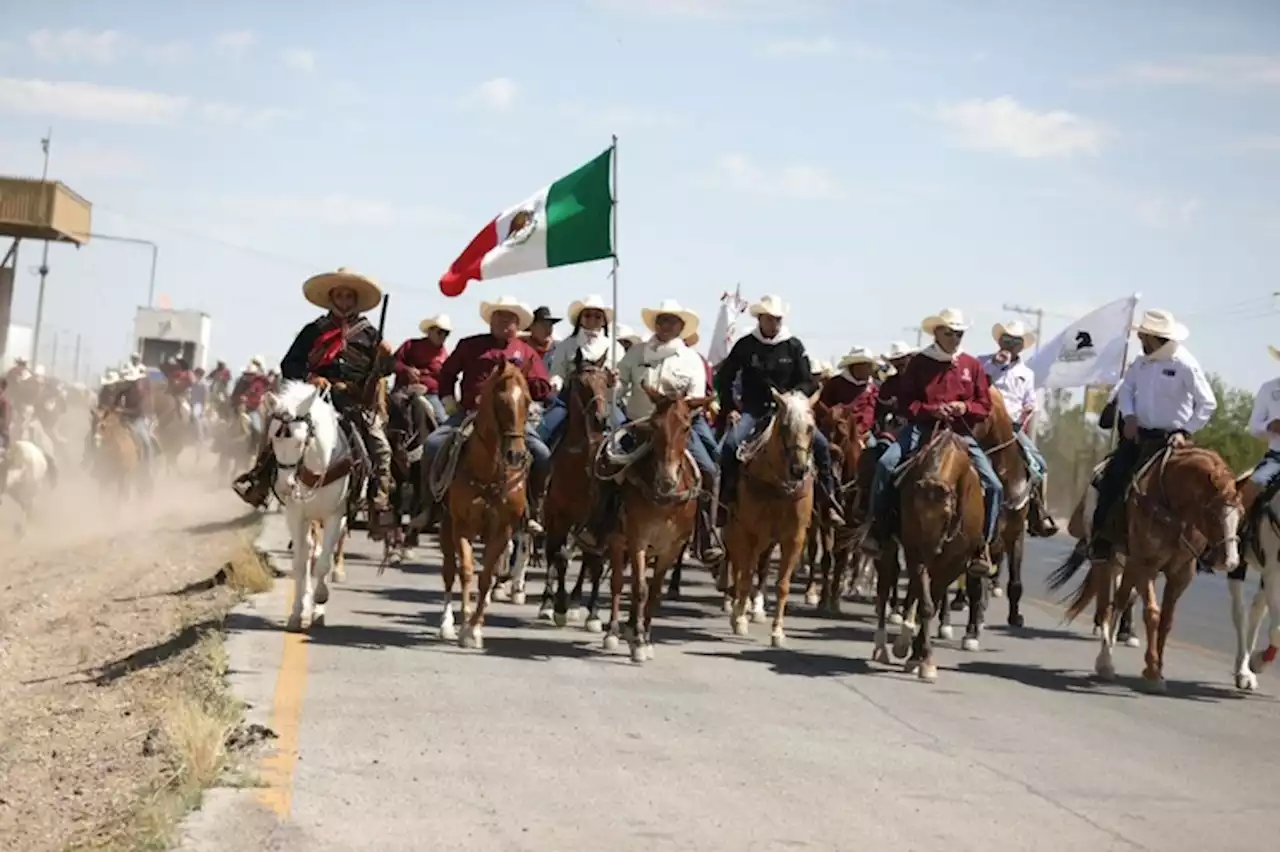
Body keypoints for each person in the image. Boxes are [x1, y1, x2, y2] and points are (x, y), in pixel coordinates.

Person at [235, 268, 397, 540]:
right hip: (314, 398)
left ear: (355, 300)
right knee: (282, 430)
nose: (344, 300)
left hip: (352, 401)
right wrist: (312, 376)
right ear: (331, 298)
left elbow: (386, 370)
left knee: (380, 447)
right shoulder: (314, 330)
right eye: (339, 295)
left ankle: (379, 504)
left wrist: (386, 357)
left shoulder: (369, 334)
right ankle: (259, 482)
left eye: (349, 296)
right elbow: (290, 364)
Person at [863, 309, 1002, 571]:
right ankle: (877, 530)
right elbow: (906, 403)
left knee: (994, 485)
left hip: (960, 434)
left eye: (959, 333)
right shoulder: (920, 363)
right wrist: (932, 410)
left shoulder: (971, 365)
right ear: (937, 333)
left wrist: (964, 408)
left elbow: (983, 404)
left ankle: (982, 546)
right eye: (950, 333)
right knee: (885, 464)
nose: (955, 338)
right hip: (921, 430)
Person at [1088, 309, 1216, 559]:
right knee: (1110, 477)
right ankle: (1101, 538)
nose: (1141, 340)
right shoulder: (1140, 362)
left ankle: (1205, 548)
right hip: (1140, 437)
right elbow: (1126, 390)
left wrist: (1185, 430)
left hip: (1173, 441)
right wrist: (1130, 416)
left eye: (1144, 336)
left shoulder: (1185, 364)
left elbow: (1208, 403)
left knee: (1202, 486)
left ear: (1156, 338)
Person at [422, 295, 554, 532]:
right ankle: (429, 505)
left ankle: (532, 509)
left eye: (510, 317)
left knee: (542, 454)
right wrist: (450, 404)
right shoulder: (469, 345)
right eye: (499, 316)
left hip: (512, 420)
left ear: (518, 324)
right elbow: (447, 375)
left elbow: (541, 386)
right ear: (490, 320)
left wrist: (528, 385)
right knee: (432, 444)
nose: (504, 321)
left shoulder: (526, 351)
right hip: (470, 414)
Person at [610, 299, 723, 562]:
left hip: (676, 429)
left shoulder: (691, 359)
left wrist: (673, 415)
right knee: (608, 464)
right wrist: (614, 383)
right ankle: (601, 521)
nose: (666, 325)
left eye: (672, 321)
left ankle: (705, 534)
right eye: (662, 320)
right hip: (638, 424)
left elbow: (694, 397)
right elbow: (620, 384)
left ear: (681, 327)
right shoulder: (636, 353)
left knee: (709, 469)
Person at [714, 294, 842, 524]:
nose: (773, 323)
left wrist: (792, 398)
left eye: (777, 319)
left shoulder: (793, 345)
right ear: (760, 319)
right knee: (730, 446)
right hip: (754, 409)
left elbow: (807, 380)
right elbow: (725, 377)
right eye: (769, 318)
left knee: (821, 446)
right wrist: (730, 407)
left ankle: (827, 502)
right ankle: (727, 500)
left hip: (789, 411)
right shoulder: (746, 345)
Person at [979, 319, 1057, 537]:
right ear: (999, 341)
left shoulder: (1026, 373)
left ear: (1021, 346)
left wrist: (1029, 408)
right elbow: (975, 385)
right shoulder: (982, 363)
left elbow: (1029, 401)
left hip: (1011, 429)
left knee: (1039, 465)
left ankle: (1038, 513)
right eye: (1006, 340)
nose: (1009, 345)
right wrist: (994, 365)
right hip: (982, 425)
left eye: (1015, 342)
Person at [539, 294, 626, 450]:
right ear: (580, 319)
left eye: (598, 316)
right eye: (587, 315)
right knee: (544, 430)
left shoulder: (615, 347)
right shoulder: (566, 345)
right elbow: (557, 371)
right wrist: (556, 382)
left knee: (623, 432)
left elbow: (622, 384)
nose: (592, 319)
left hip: (604, 400)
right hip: (570, 400)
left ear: (604, 321)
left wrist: (614, 384)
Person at [393, 314, 452, 432]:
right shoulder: (411, 345)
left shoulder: (445, 356)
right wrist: (406, 370)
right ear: (430, 331)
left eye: (446, 333)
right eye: (440, 332)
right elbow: (392, 362)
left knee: (444, 422)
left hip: (432, 394)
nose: (443, 336)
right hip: (406, 389)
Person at [1241, 345, 1280, 524]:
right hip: (1277, 457)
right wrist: (1269, 426)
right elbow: (1253, 426)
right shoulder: (1268, 389)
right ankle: (1234, 539)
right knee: (1252, 486)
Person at [820, 346, 880, 438]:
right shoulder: (834, 383)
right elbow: (824, 405)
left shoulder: (872, 389)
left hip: (861, 431)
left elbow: (870, 412)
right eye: (861, 366)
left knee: (874, 447)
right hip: (834, 427)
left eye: (867, 366)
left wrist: (858, 430)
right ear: (852, 367)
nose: (865, 370)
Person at [522, 305, 561, 372]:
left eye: (550, 325)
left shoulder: (559, 349)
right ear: (532, 326)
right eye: (543, 325)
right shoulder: (521, 349)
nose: (547, 329)